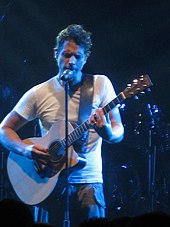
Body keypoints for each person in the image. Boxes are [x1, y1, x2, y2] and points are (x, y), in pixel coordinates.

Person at [0, 24, 124, 227]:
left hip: (88, 184)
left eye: (77, 57)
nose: (71, 61)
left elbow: (119, 130)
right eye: (66, 55)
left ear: (86, 58)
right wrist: (27, 150)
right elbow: (4, 129)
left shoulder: (101, 84)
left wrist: (107, 132)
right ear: (56, 54)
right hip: (46, 184)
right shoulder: (38, 93)